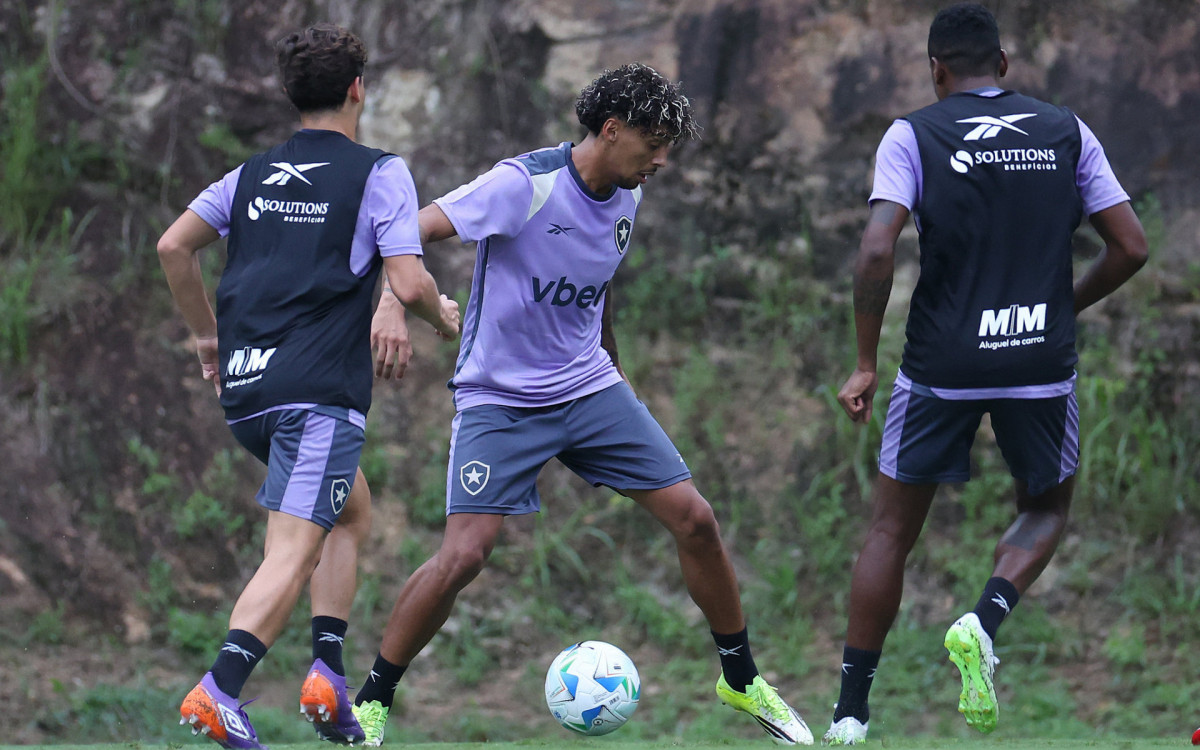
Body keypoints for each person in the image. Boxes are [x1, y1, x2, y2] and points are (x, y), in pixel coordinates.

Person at [346, 63, 813, 746]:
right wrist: (392, 302)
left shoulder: (627, 193)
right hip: (499, 399)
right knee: (464, 557)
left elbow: (599, 287)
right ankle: (372, 702)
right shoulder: (522, 185)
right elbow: (406, 229)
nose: (660, 160)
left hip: (588, 387)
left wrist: (616, 377)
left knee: (696, 520)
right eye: (651, 143)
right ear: (610, 128)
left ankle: (742, 681)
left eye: (667, 148)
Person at [823, 3, 1147, 744]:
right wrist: (1060, 307)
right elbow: (1130, 247)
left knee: (889, 532)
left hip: (943, 363)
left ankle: (850, 713)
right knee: (1047, 508)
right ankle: (984, 617)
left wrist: (867, 359)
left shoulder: (913, 133)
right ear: (1003, 64)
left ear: (937, 70)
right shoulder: (1066, 130)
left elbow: (877, 251)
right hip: (1039, 358)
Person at [156, 23, 460, 749]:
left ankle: (327, 673)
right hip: (317, 394)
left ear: (292, 96)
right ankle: (219, 690)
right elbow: (410, 280)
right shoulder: (379, 171)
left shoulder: (252, 173)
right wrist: (442, 317)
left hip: (249, 393)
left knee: (350, 512)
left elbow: (174, 246)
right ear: (359, 88)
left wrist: (206, 334)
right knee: (291, 552)